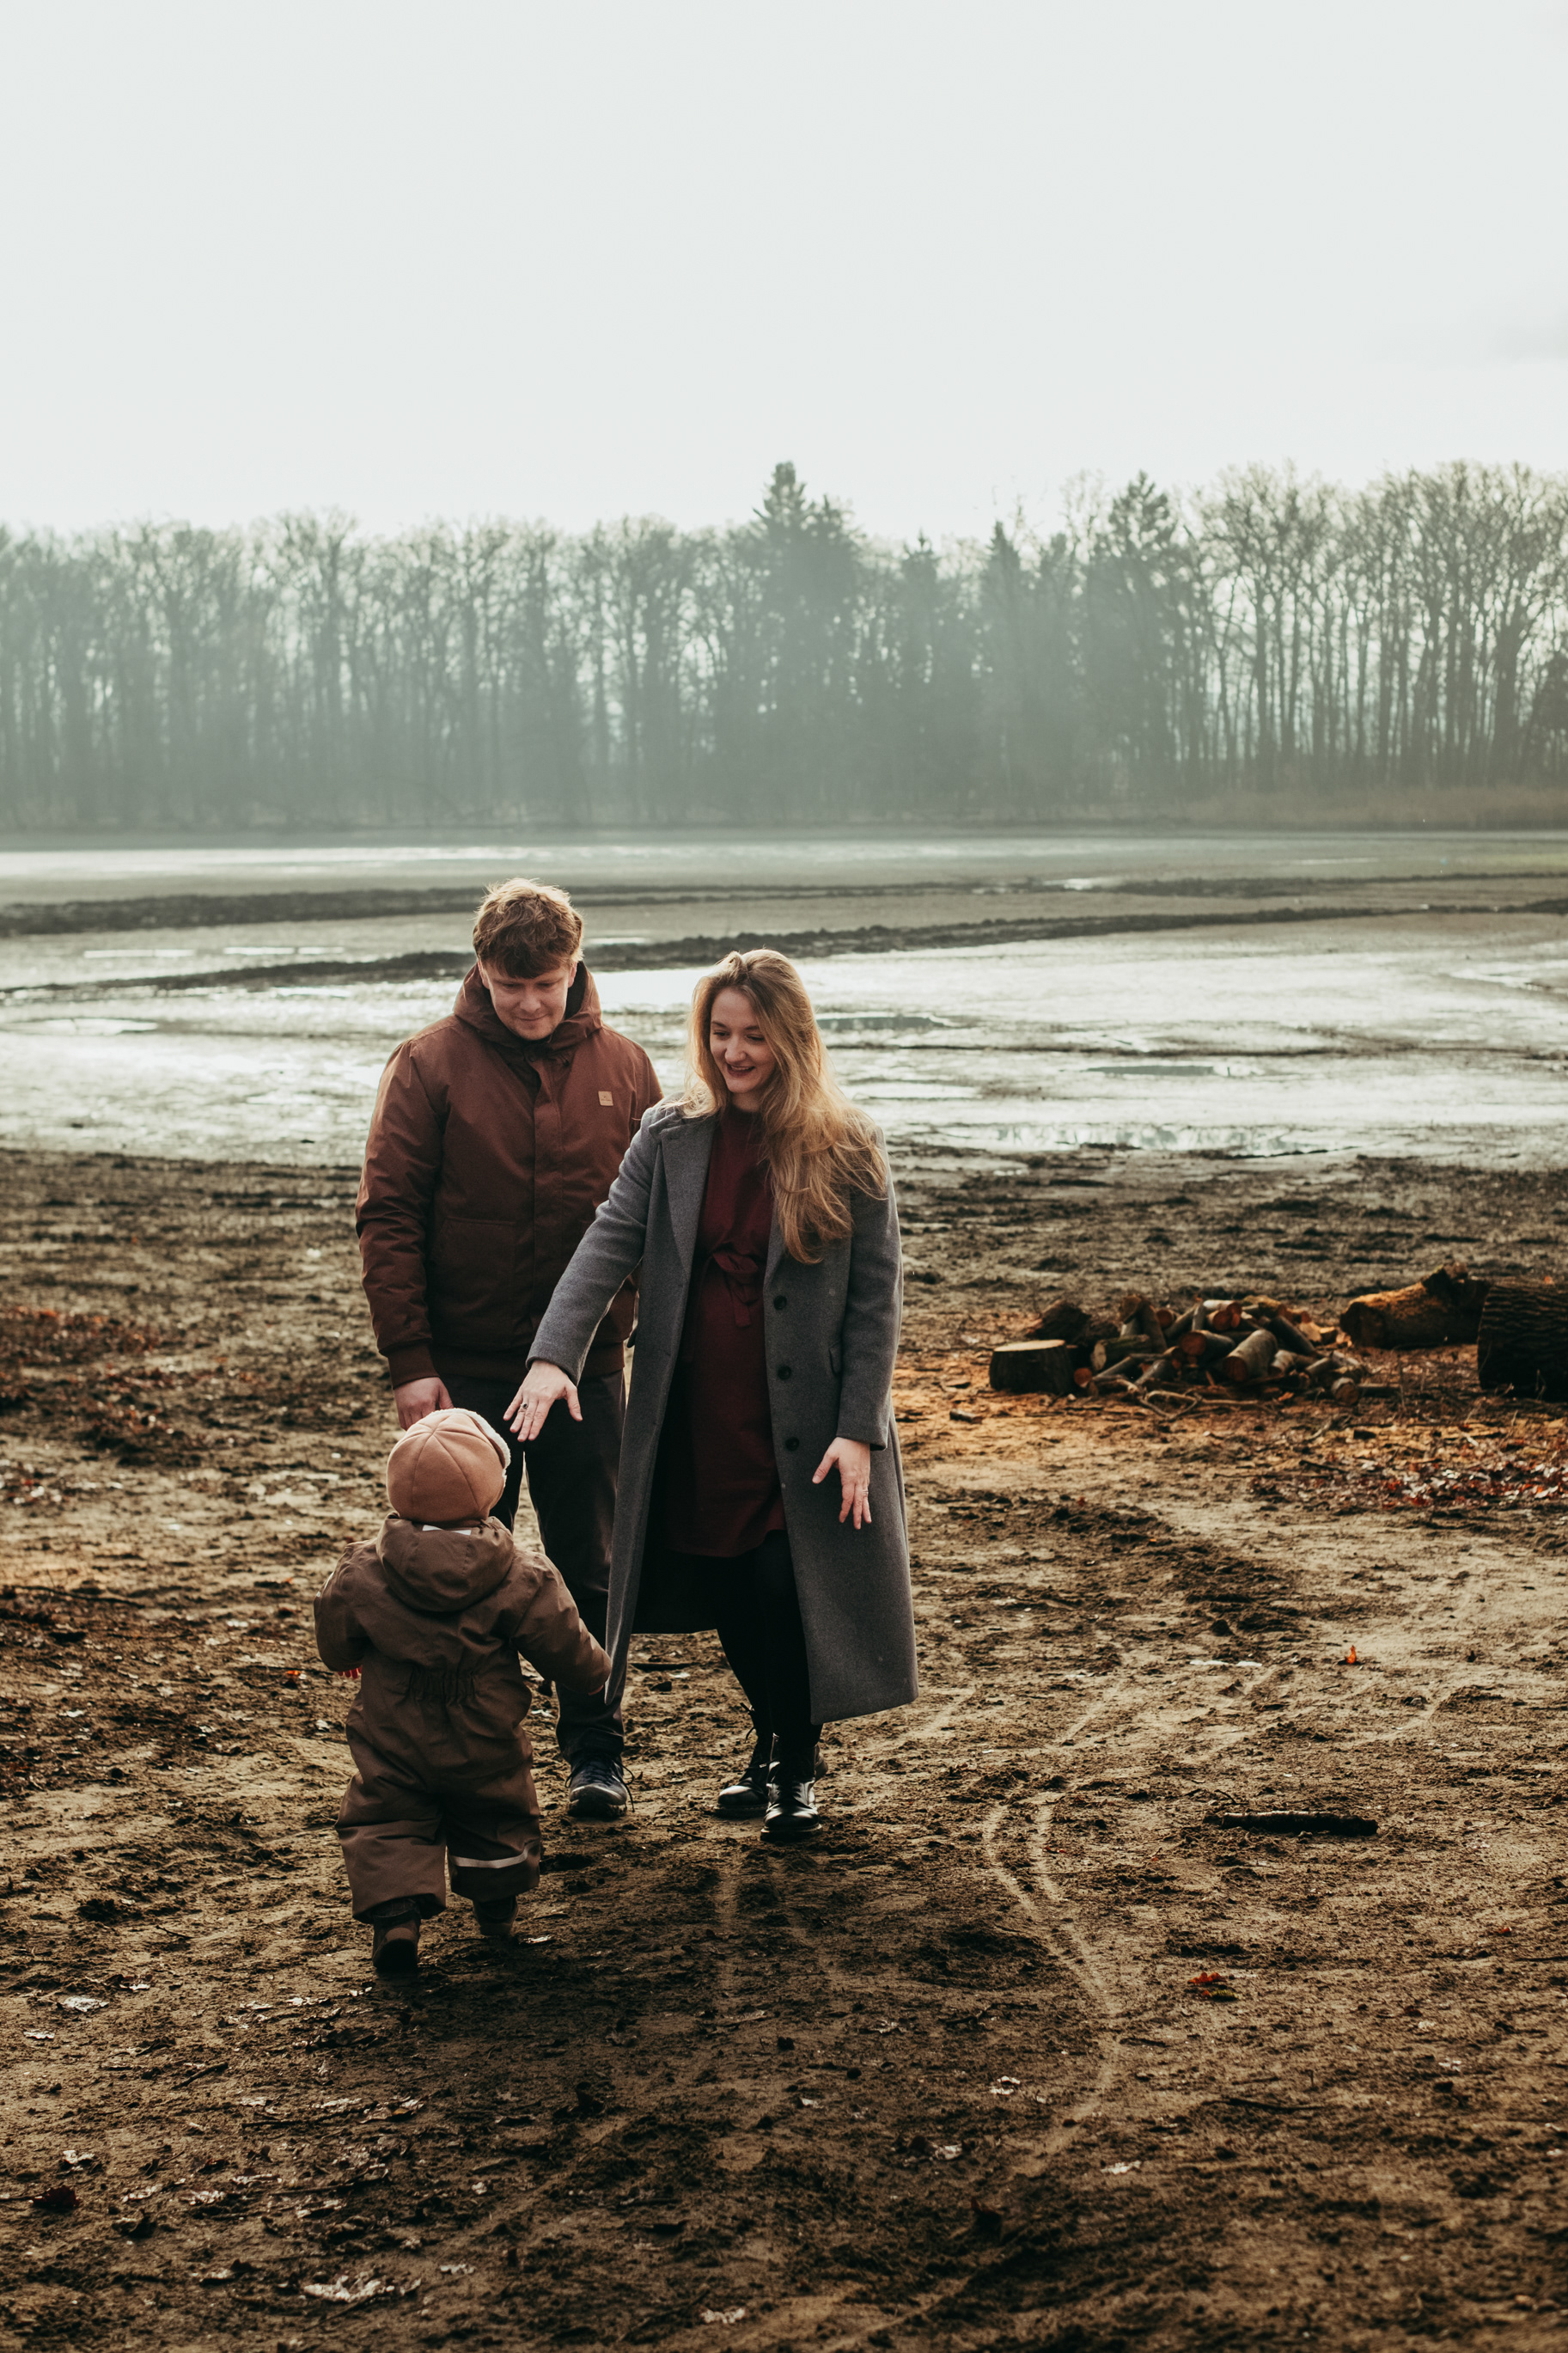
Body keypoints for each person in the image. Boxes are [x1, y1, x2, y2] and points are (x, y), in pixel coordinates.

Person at [509, 948, 918, 1843]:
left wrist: (859, 1428)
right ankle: (770, 1739)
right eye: (721, 1033)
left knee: (780, 1581)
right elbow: (606, 1242)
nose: (734, 1052)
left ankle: (795, 1766)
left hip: (804, 1421)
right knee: (729, 1582)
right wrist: (554, 1356)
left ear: (791, 1038)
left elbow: (874, 1300)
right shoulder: (669, 1134)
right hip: (697, 1411)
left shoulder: (845, 1143)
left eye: (754, 1036)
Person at [356, 877, 662, 1822]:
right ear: (480, 970)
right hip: (464, 1373)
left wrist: (643, 1332)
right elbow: (388, 1216)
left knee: (589, 1566)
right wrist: (411, 1362)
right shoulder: (427, 1065)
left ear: (576, 967)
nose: (530, 1003)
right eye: (509, 985)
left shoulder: (626, 1066)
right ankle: (459, 1755)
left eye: (547, 984)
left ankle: (596, 1753)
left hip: (587, 1374)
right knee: (451, 1572)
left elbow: (656, 1222)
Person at [314, 1407, 611, 1977]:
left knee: (387, 1816)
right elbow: (562, 1642)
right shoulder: (522, 1573)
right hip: (483, 1730)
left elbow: (335, 1640)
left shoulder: (361, 1569)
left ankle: (397, 1918)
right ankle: (496, 1907)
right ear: (490, 1488)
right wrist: (595, 1674)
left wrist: (350, 1658)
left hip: (393, 1730)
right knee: (495, 1809)